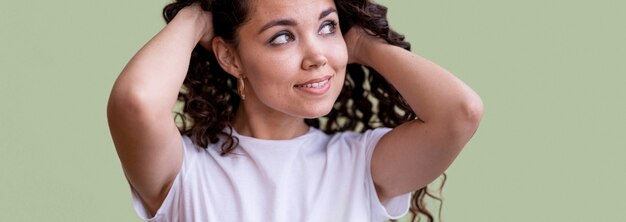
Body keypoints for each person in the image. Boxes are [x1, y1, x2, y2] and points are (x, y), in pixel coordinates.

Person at [107, 0, 483, 221]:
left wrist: (362, 44)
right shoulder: (185, 170)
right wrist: (197, 15)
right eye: (282, 36)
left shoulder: (360, 165)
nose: (317, 56)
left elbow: (460, 112)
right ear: (230, 57)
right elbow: (135, 101)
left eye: (327, 26)